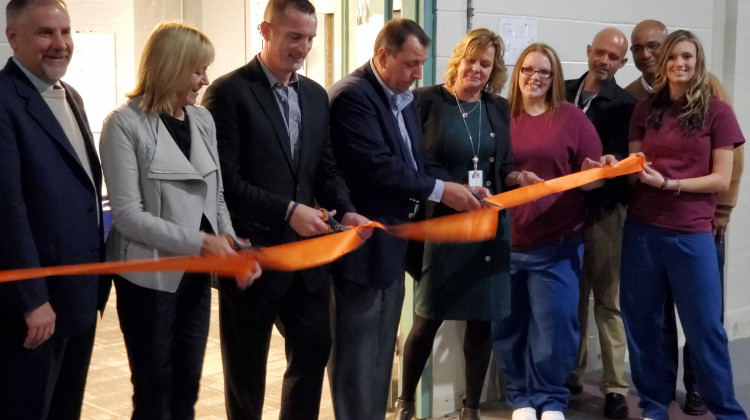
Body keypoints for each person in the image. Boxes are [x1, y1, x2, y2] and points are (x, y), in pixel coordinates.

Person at [202, 1, 370, 418]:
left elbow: (325, 167)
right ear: (265, 30)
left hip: (308, 257)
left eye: (310, 38)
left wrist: (346, 211)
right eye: (294, 37)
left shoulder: (315, 95)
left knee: (313, 352)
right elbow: (224, 183)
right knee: (246, 369)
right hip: (252, 252)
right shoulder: (228, 92)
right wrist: (288, 210)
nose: (304, 48)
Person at [99, 22, 259, 420]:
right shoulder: (123, 124)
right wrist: (202, 243)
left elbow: (216, 193)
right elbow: (129, 218)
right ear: (170, 66)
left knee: (187, 386)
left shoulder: (202, 119)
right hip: (148, 278)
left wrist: (229, 242)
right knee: (154, 390)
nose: (205, 79)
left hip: (195, 275)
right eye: (197, 69)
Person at [328, 19, 483, 420]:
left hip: (393, 245)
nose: (419, 74)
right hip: (361, 245)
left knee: (381, 353)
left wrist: (459, 187)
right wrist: (439, 191)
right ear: (383, 56)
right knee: (355, 356)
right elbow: (377, 166)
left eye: (422, 64)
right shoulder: (353, 96)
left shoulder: (405, 100)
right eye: (411, 64)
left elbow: (420, 160)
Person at [393, 28, 528, 420]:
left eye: (486, 64)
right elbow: (416, 161)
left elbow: (504, 166)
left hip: (488, 227)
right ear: (458, 60)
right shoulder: (425, 102)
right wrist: (451, 189)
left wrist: (520, 179)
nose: (477, 69)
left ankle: (471, 408)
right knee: (427, 317)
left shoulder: (498, 108)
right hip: (442, 224)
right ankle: (405, 403)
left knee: (482, 321)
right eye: (472, 61)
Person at [621, 29, 746, 420]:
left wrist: (671, 184)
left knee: (705, 328)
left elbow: (721, 178)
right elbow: (634, 166)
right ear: (663, 63)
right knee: (643, 325)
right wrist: (613, 166)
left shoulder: (717, 111)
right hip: (642, 232)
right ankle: (655, 406)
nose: (679, 63)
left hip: (691, 234)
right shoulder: (645, 109)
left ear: (698, 61)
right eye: (673, 57)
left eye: (687, 57)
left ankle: (727, 412)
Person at [0, 0, 110, 418]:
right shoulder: (4, 100)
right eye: (46, 33)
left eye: (66, 33)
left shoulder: (71, 96)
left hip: (77, 295)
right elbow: (6, 210)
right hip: (35, 305)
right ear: (13, 38)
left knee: (66, 407)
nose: (60, 44)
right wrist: (32, 299)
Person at [490, 43, 606, 420]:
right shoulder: (498, 115)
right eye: (527, 70)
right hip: (505, 243)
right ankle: (521, 397)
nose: (534, 78)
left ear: (554, 77)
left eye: (543, 72)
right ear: (516, 73)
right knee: (508, 329)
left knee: (555, 330)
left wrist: (594, 172)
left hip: (557, 245)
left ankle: (550, 399)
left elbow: (591, 182)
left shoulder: (572, 118)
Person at [563, 27, 635, 418]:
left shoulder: (628, 105)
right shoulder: (564, 91)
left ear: (623, 63)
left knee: (608, 302)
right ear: (589, 51)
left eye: (614, 57)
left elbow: (632, 162)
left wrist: (612, 164)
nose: (604, 61)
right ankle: (572, 375)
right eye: (600, 53)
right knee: (572, 300)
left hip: (607, 213)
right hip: (565, 213)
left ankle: (615, 388)